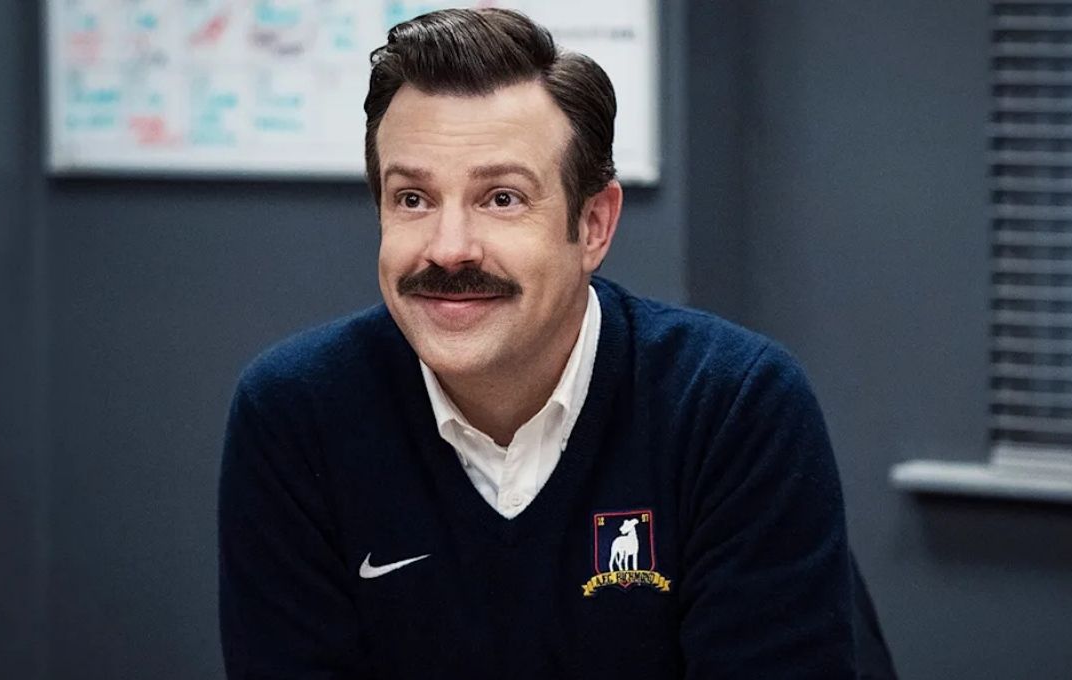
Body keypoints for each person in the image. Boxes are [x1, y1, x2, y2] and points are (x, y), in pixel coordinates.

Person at [219, 8, 856, 678]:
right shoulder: (296, 412)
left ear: (594, 225)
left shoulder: (732, 404)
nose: (449, 248)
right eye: (413, 199)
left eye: (501, 198)